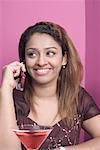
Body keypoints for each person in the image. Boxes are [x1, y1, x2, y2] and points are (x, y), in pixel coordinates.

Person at [0, 21, 100, 150]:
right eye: (32, 54)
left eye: (50, 53)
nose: (41, 62)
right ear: (23, 61)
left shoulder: (77, 97)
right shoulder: (10, 100)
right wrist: (5, 89)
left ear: (64, 58)